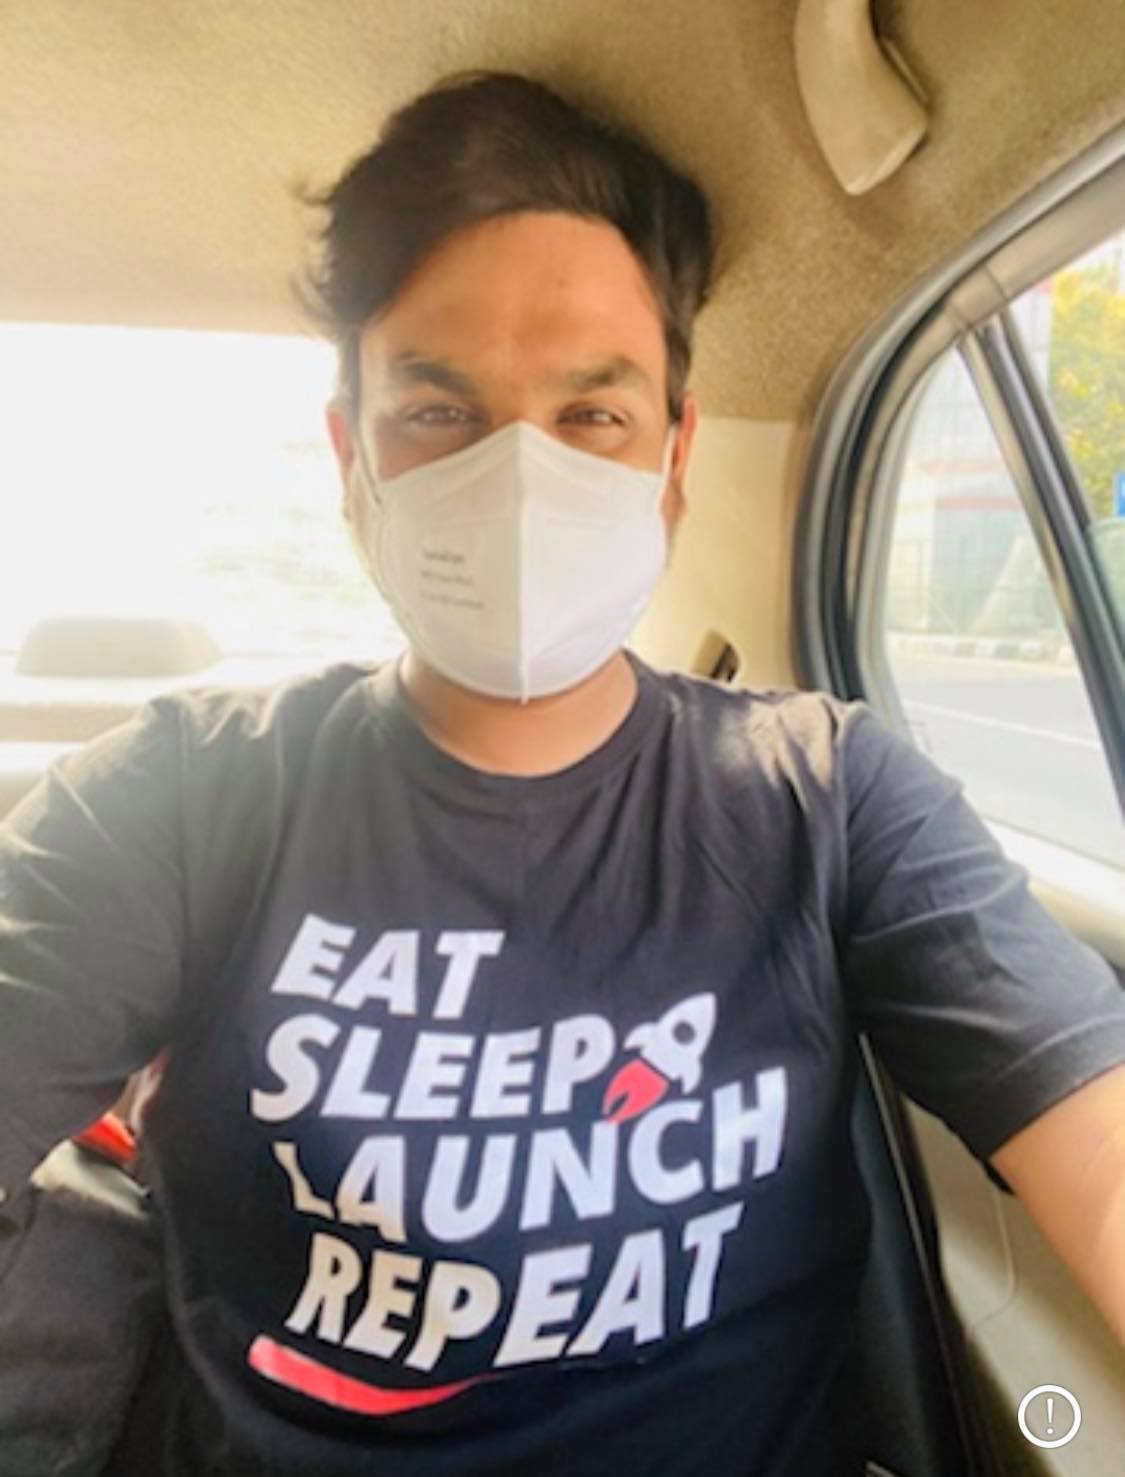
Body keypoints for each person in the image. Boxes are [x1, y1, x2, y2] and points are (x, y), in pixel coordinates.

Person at [1, 67, 1123, 1477]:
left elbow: (1102, 1149)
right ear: (352, 459)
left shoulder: (827, 798)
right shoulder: (177, 796)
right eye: (439, 413)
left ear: (673, 457)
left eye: (591, 416)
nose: (518, 482)